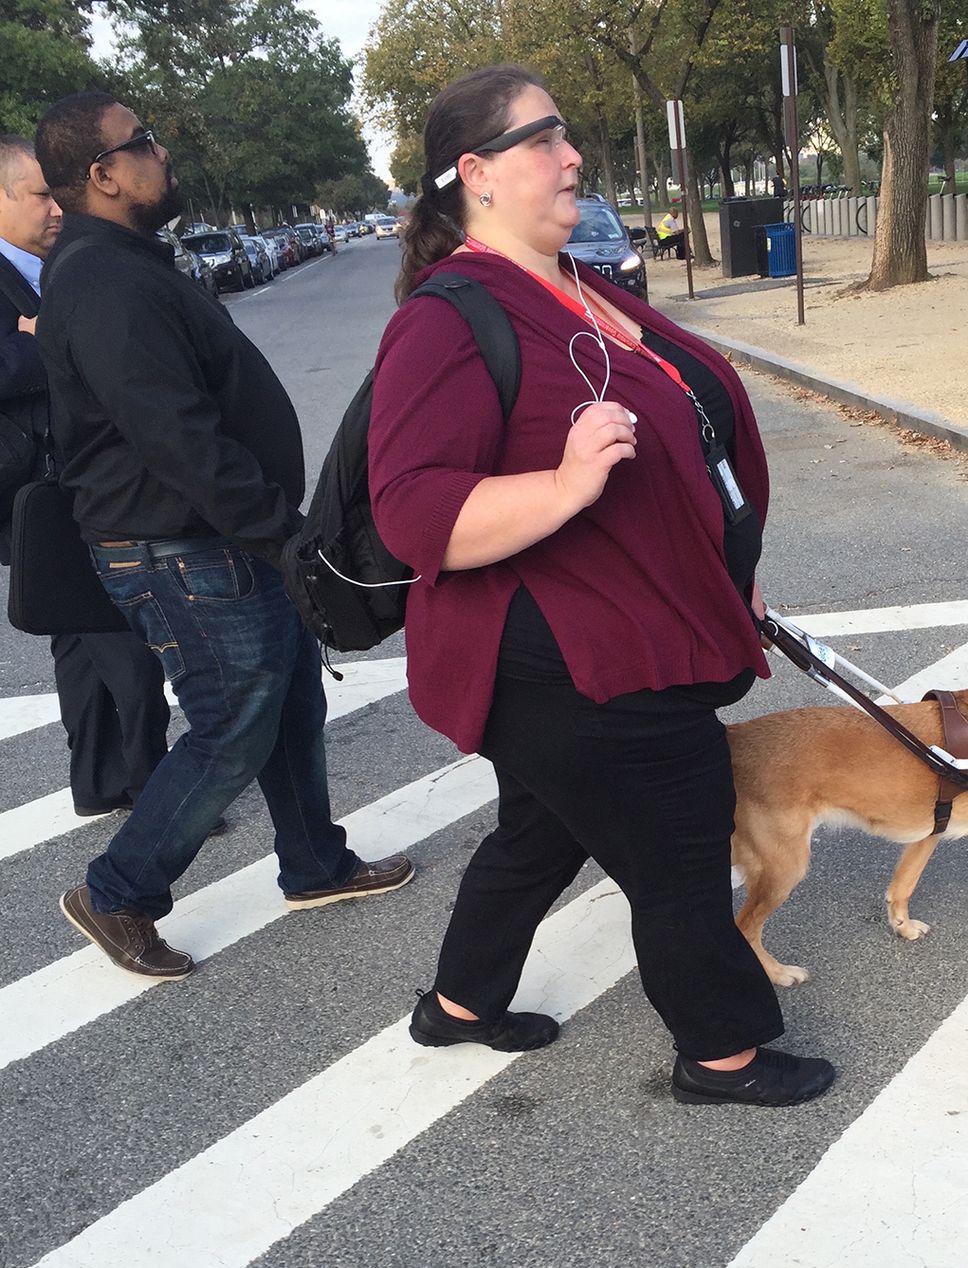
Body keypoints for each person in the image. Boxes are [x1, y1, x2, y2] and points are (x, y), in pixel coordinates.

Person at [369, 64, 835, 1107]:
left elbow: (691, 452)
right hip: (568, 655)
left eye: (566, 135)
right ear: (477, 174)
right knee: (676, 845)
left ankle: (455, 1005)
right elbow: (415, 513)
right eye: (544, 139)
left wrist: (728, 578)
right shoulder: (447, 321)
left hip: (633, 623)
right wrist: (567, 483)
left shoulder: (579, 288)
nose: (571, 155)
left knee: (542, 829)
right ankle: (720, 1054)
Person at [33, 92, 412, 980]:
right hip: (179, 548)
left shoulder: (124, 263)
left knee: (288, 703)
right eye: (144, 144)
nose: (162, 155)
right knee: (233, 726)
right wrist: (283, 533)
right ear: (102, 174)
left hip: (212, 541)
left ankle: (315, 862)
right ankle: (118, 887)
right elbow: (176, 436)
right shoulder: (103, 282)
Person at [0, 135, 171, 818]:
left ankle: (100, 780)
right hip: (36, 489)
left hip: (67, 478)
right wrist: (47, 342)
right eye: (39, 194)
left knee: (76, 635)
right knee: (123, 636)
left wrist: (40, 333)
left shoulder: (47, 270)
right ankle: (158, 789)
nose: (55, 208)